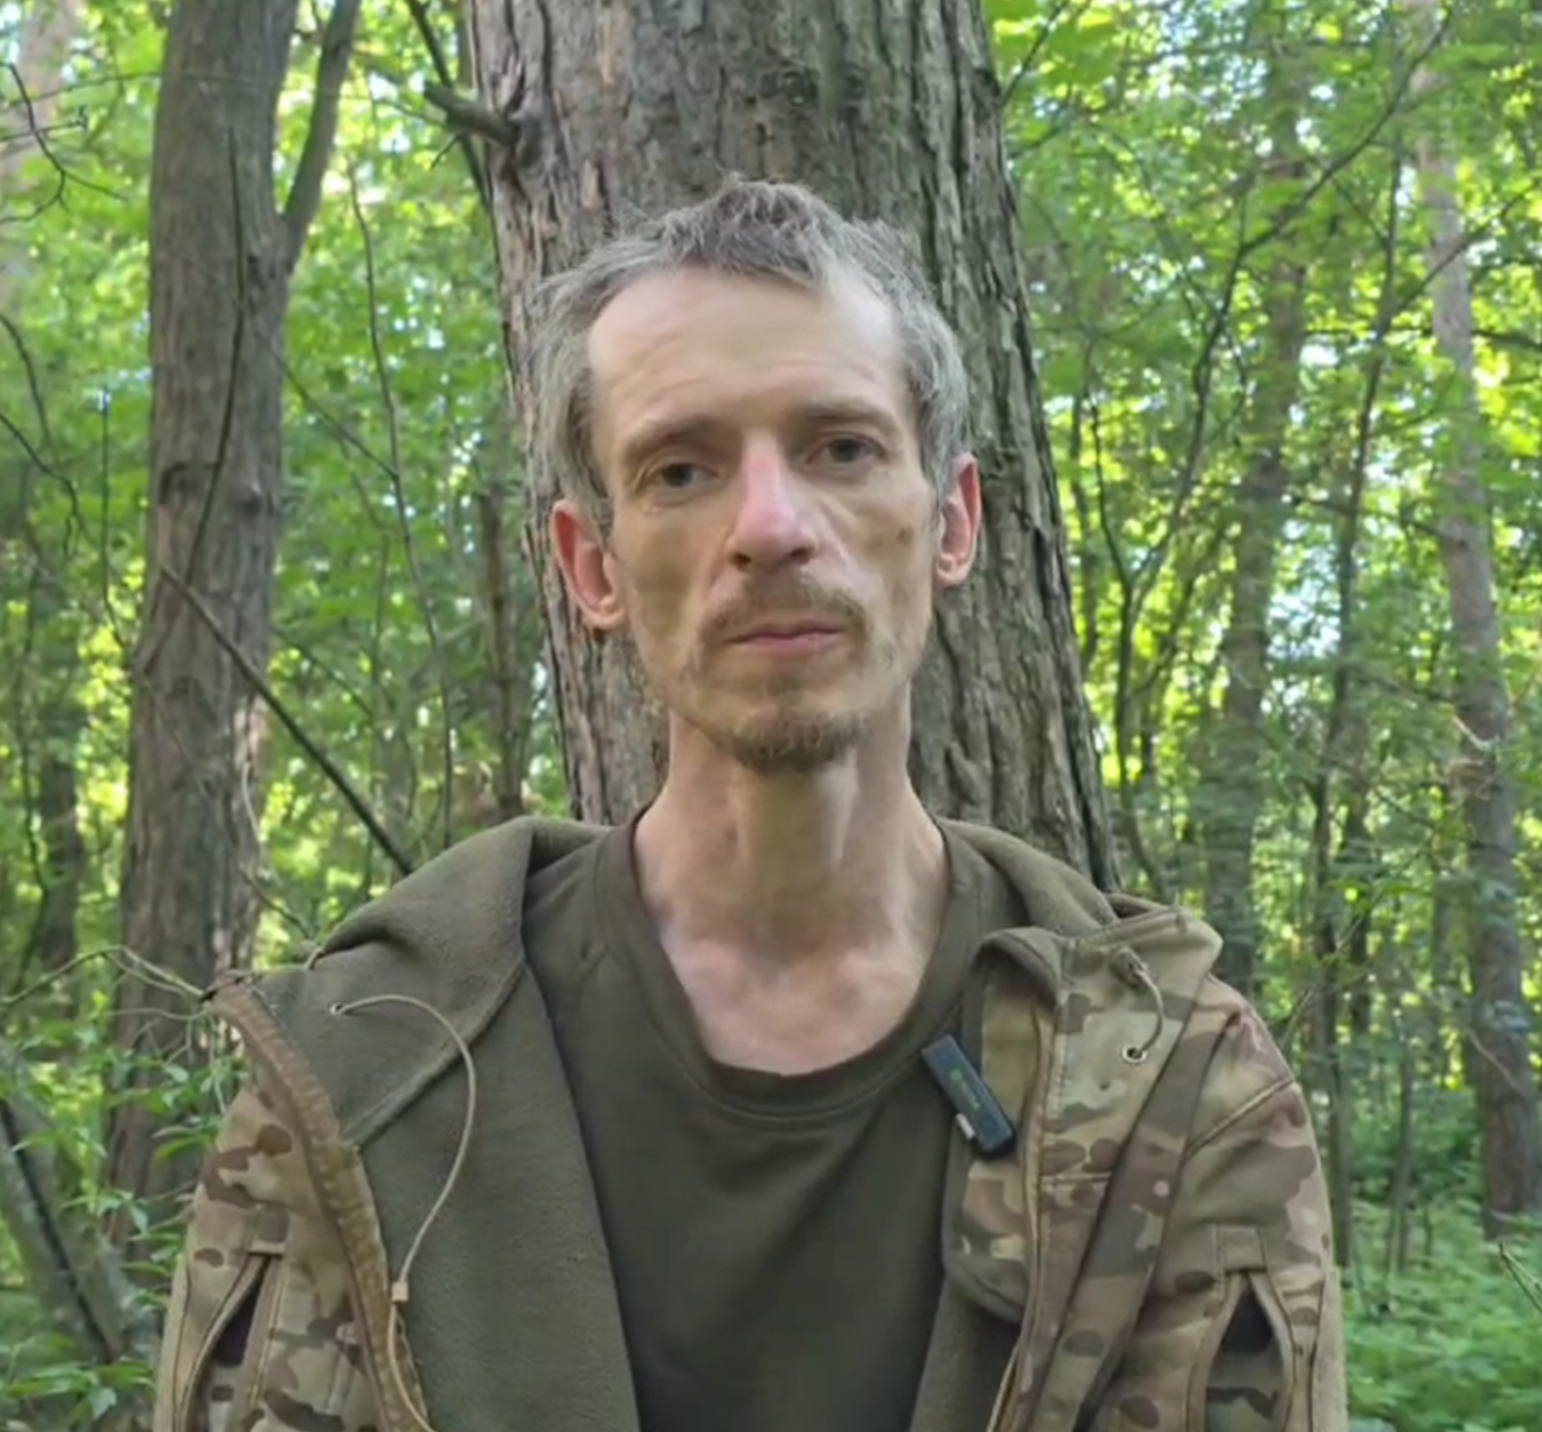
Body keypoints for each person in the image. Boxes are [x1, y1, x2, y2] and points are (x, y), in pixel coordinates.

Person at [149, 177, 1347, 1432]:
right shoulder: (372, 1066)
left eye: (842, 448)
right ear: (593, 566)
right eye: (681, 469)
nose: (770, 526)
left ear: (951, 522)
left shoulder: (1173, 1081)